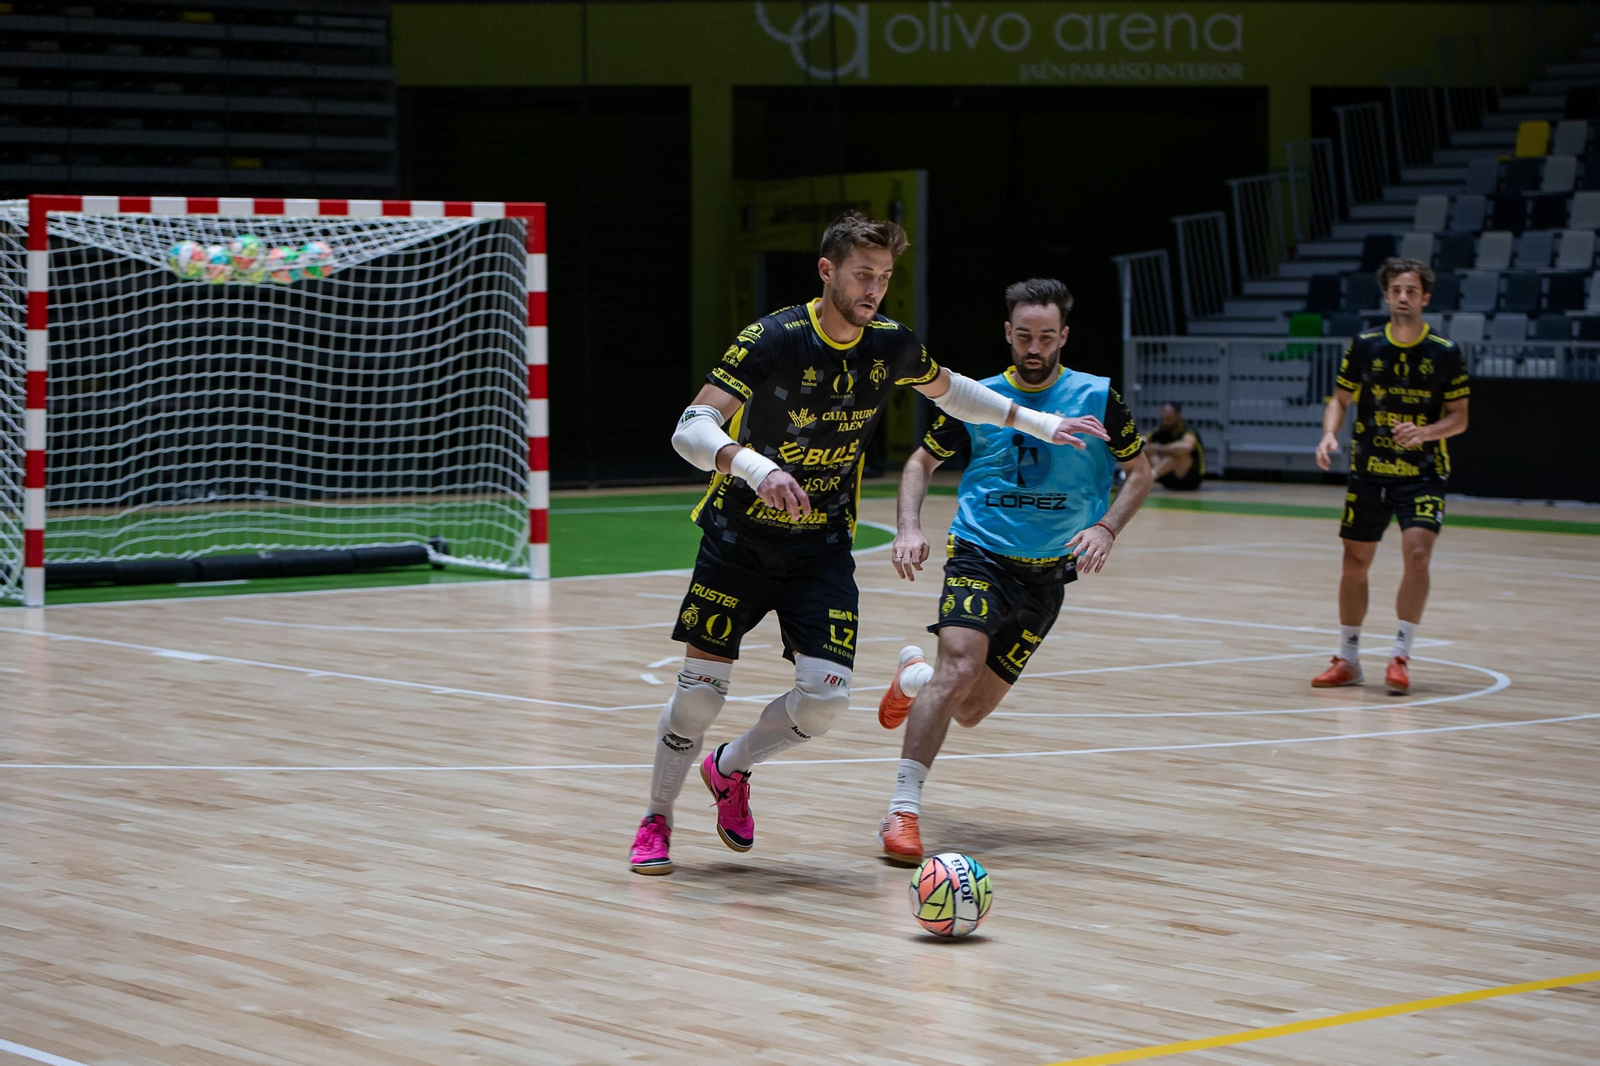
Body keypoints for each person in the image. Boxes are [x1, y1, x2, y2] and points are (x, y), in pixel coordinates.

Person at [629, 215, 1110, 875]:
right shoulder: (771, 338)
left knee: (824, 703)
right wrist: (755, 466)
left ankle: (730, 768)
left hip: (821, 545)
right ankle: (657, 818)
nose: (875, 288)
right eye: (863, 274)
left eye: (884, 277)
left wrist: (1037, 420)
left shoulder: (891, 345)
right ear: (826, 271)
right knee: (699, 696)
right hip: (738, 539)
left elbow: (957, 393)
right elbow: (691, 428)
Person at [872, 278, 1153, 865]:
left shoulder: (1098, 397)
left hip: (1047, 575)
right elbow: (921, 462)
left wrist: (1105, 528)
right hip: (980, 552)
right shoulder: (979, 397)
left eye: (1046, 336)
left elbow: (1141, 471)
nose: (1034, 346)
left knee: (969, 708)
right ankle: (902, 810)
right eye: (1024, 334)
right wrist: (908, 526)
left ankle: (915, 681)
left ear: (1063, 336)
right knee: (963, 663)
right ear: (1007, 332)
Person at [1312, 256, 1469, 695]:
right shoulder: (1364, 345)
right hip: (1368, 470)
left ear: (1425, 298)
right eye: (1397, 290)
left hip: (1422, 473)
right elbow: (1340, 399)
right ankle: (1348, 657)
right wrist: (1329, 435)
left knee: (1417, 554)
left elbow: (1459, 418)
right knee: (1354, 563)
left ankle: (1400, 654)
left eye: (1412, 291)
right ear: (1386, 295)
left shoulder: (1445, 352)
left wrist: (1424, 432)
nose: (1404, 297)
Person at [1143, 402, 1205, 490]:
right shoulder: (1161, 430)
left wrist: (1160, 449)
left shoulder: (1188, 430)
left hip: (1189, 478)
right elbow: (1142, 441)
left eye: (1168, 419)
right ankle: (1130, 477)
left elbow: (1187, 446)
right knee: (1145, 450)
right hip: (1167, 476)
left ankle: (1148, 479)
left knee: (1177, 455)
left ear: (1178, 416)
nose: (1165, 422)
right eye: (1163, 419)